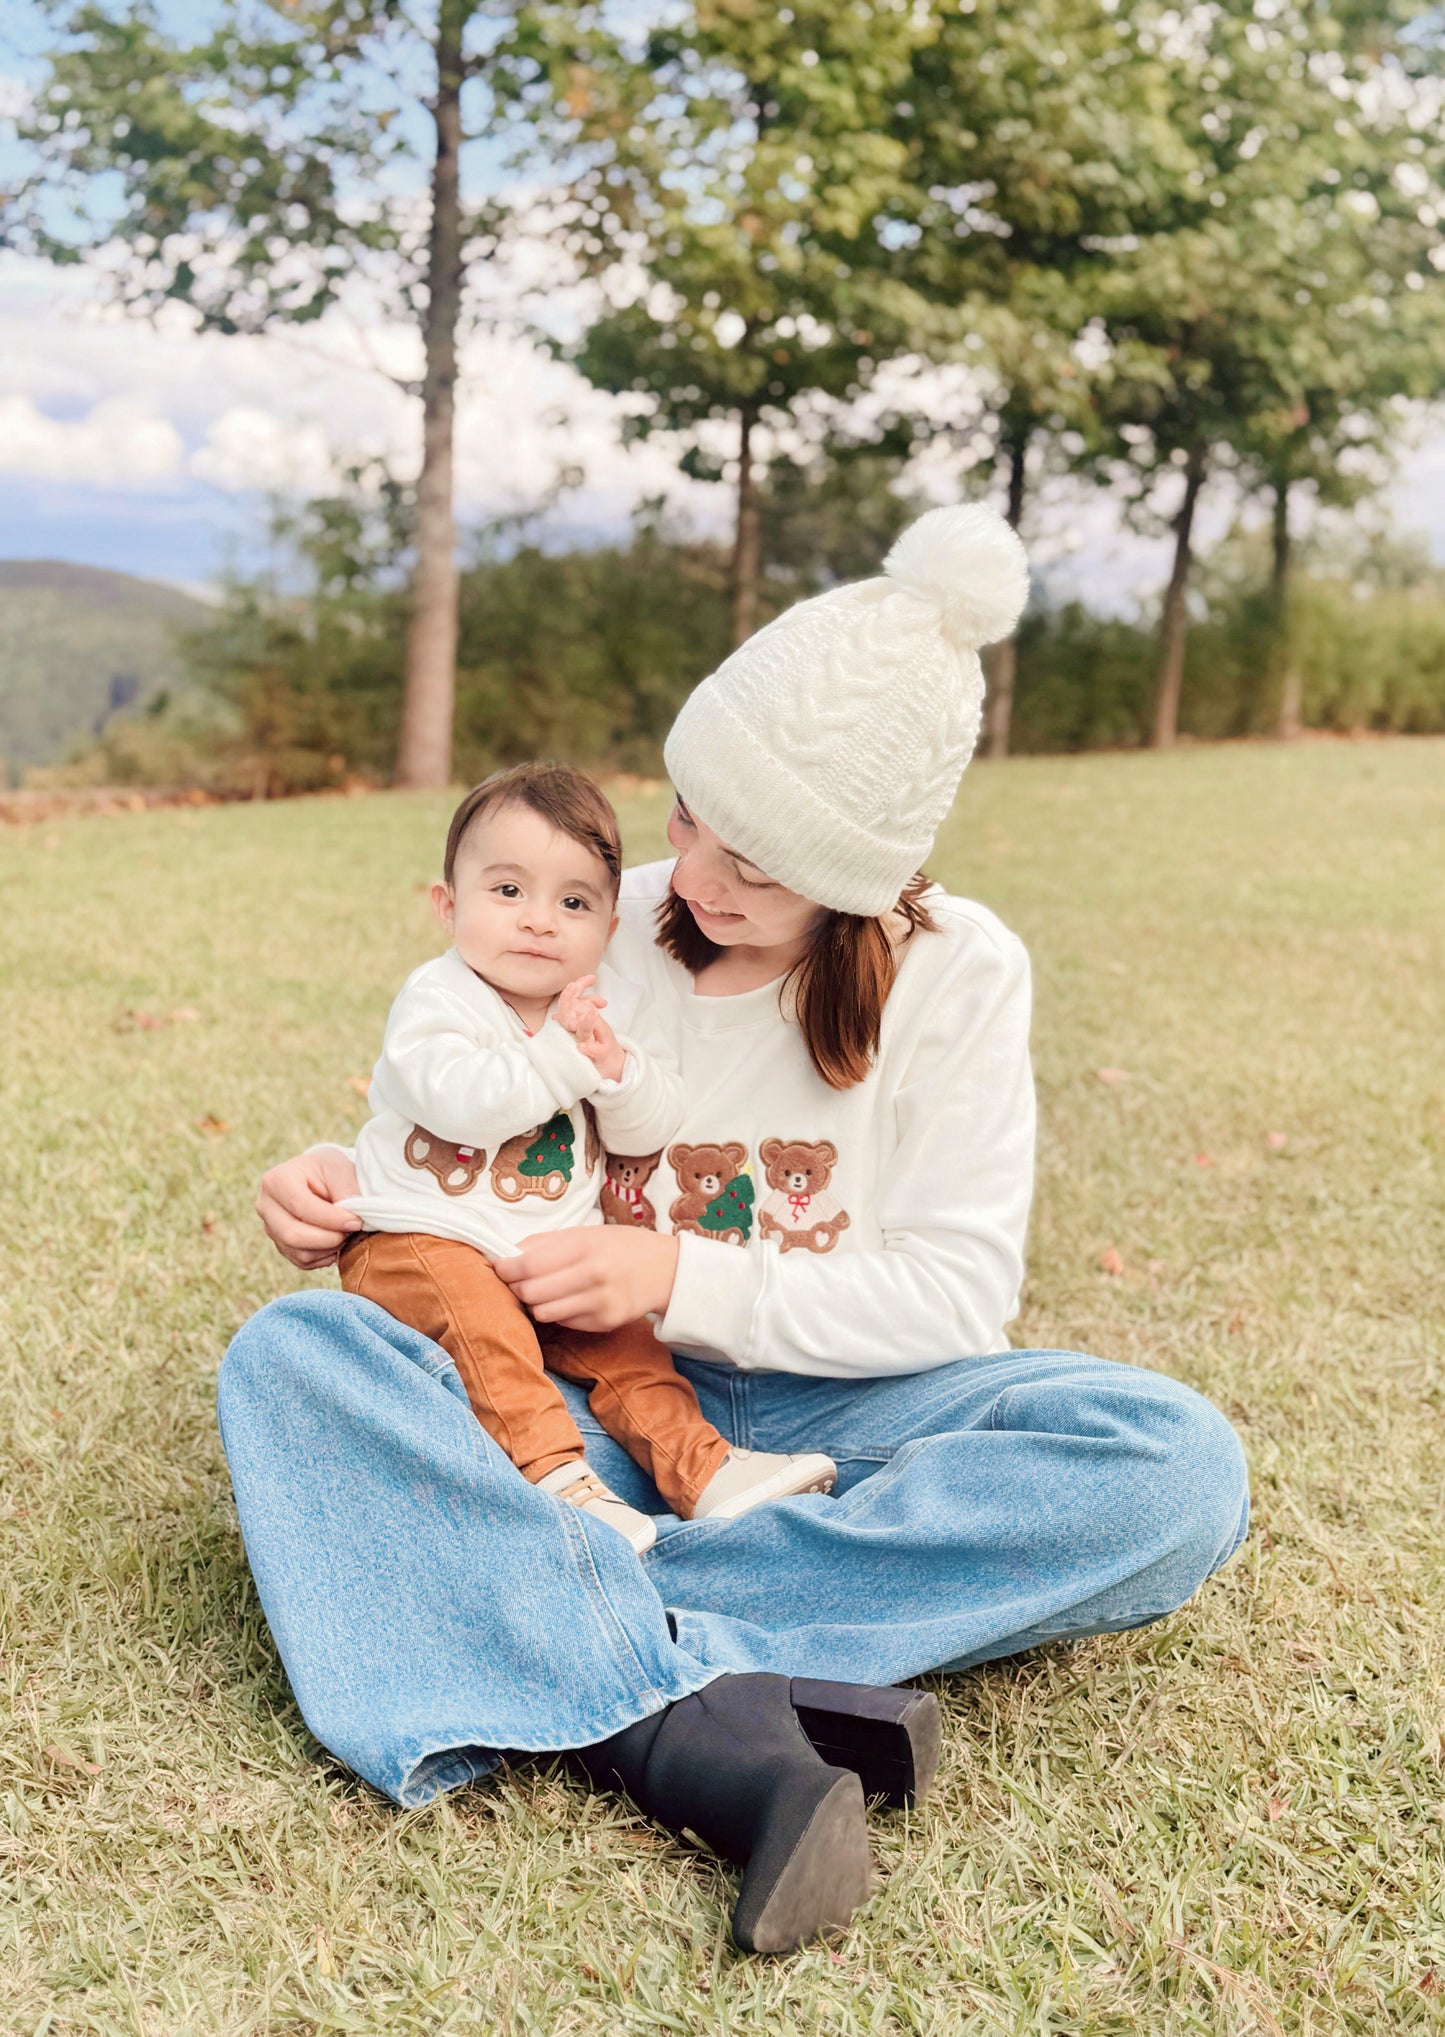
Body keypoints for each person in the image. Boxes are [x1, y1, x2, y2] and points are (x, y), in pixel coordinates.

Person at [222, 503, 1249, 1954]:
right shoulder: (597, 914)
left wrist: (680, 1268)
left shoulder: (961, 974)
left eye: (755, 866)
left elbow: (957, 1297)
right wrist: (326, 1174)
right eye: (689, 812)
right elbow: (449, 1121)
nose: (691, 878)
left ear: (866, 875)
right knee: (295, 1359)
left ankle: (609, 1647)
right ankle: (704, 1698)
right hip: (594, 1398)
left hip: (843, 1411)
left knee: (1170, 1469)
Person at [337, 761, 837, 1554]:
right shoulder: (439, 1000)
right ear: (447, 905)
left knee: (630, 1346)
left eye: (572, 903)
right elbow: (456, 1097)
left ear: (606, 931)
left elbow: (645, 1130)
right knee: (486, 1340)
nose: (538, 921)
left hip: (543, 1256)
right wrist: (567, 1061)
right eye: (507, 892)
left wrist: (616, 1071)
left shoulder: (589, 1016)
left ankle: (704, 1469)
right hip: (419, 1240)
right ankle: (557, 1481)